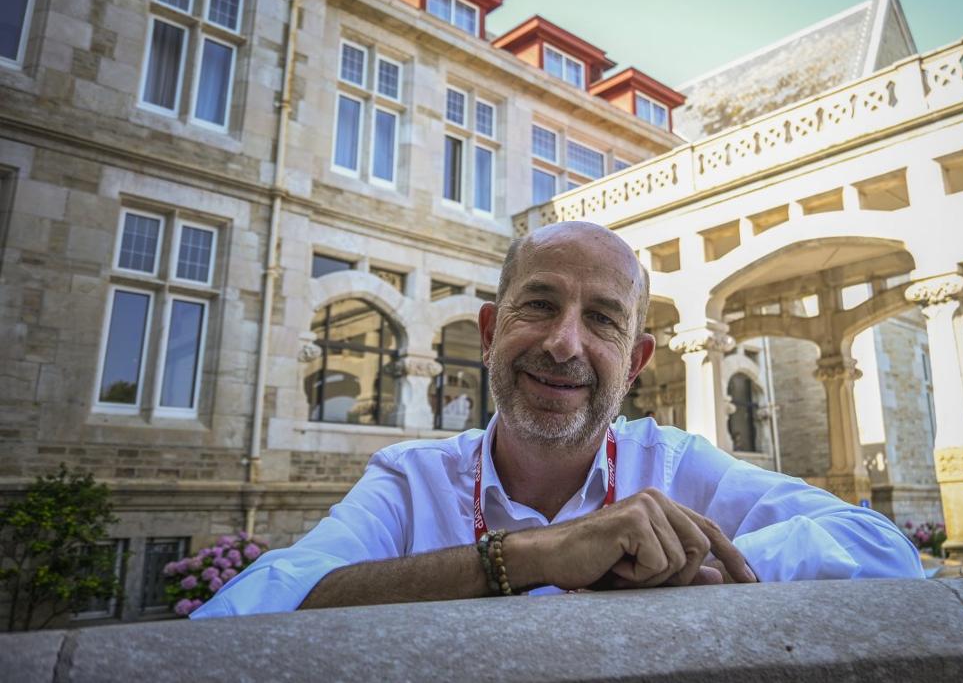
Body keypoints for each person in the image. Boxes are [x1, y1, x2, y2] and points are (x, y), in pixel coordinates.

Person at [195, 222, 921, 617]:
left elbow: (885, 548)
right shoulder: (411, 481)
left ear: (634, 362)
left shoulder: (674, 466)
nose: (564, 343)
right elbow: (252, 608)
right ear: (488, 333)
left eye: (601, 320)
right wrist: (539, 555)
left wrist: (721, 569)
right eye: (539, 305)